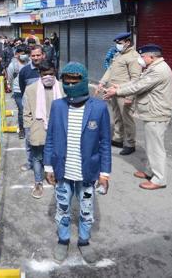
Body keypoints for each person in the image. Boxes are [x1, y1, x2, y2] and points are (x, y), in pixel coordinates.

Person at [43, 62, 111, 263]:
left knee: (86, 210)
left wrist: (105, 173)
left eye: (75, 80)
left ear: (84, 80)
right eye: (67, 81)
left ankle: (84, 241)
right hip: (63, 171)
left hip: (87, 173)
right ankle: (63, 240)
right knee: (62, 208)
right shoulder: (58, 106)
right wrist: (48, 166)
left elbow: (105, 143)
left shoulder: (99, 108)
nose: (71, 85)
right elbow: (50, 138)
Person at [105, 44, 172, 190]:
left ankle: (159, 179)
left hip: (157, 113)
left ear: (151, 57)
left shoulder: (159, 71)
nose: (140, 60)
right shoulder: (153, 68)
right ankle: (150, 172)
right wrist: (119, 87)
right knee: (151, 146)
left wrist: (117, 92)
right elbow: (137, 81)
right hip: (153, 112)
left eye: (142, 57)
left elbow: (139, 86)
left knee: (156, 148)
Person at [23, 61, 64, 199]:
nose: (48, 77)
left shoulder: (62, 88)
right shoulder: (31, 89)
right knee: (37, 158)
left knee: (58, 155)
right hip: (38, 129)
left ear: (55, 73)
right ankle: (38, 182)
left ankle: (56, 178)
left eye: (51, 74)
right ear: (40, 74)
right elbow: (27, 113)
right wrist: (29, 130)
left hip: (59, 129)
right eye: (45, 74)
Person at [97, 32, 142, 156]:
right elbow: (110, 70)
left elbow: (136, 79)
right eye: (116, 43)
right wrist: (102, 83)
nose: (118, 45)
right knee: (117, 116)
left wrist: (130, 96)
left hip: (124, 93)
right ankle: (118, 138)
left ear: (127, 42)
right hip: (113, 91)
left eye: (120, 43)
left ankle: (130, 144)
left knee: (127, 119)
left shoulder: (133, 57)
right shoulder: (118, 55)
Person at [18, 45, 46, 172]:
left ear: (43, 55)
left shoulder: (49, 69)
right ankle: (30, 162)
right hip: (30, 111)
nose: (36, 57)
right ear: (30, 56)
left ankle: (47, 163)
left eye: (38, 55)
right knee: (30, 139)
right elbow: (24, 90)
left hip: (46, 110)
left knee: (47, 139)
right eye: (33, 55)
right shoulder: (24, 71)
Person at [7, 44, 30, 139]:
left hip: (29, 89)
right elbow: (10, 78)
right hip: (18, 91)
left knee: (30, 110)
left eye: (26, 53)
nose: (24, 55)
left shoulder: (30, 63)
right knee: (21, 110)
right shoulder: (13, 65)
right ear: (17, 54)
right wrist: (12, 88)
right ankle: (22, 130)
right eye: (22, 53)